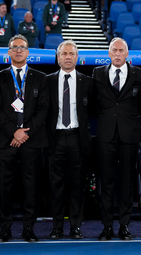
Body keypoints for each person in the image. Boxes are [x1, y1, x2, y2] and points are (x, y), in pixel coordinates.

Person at [93, 37, 141, 241]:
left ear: (127, 54)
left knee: (126, 182)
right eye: (113, 50)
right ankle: (107, 226)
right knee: (105, 182)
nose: (117, 54)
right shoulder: (97, 74)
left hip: (129, 135)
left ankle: (124, 225)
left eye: (121, 50)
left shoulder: (140, 75)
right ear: (109, 53)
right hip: (106, 135)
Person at [0, 34, 48, 242]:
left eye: (22, 47)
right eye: (14, 47)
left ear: (28, 52)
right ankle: (4, 227)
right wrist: (14, 132)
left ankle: (29, 228)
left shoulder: (40, 77)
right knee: (3, 186)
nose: (18, 50)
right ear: (8, 52)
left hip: (32, 140)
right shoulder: (0, 77)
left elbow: (44, 109)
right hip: (5, 141)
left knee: (31, 187)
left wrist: (24, 133)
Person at [46, 40, 93, 239]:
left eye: (71, 53)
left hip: (77, 138)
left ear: (77, 57)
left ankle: (76, 226)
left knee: (77, 185)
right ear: (58, 58)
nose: (67, 57)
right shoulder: (47, 81)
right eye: (63, 54)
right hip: (54, 139)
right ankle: (57, 227)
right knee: (56, 186)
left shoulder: (88, 82)